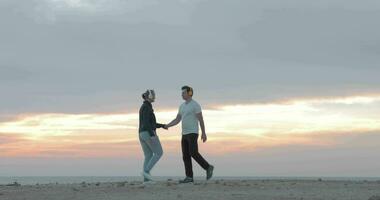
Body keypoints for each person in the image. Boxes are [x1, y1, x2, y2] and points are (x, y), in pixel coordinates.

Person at [165, 86, 214, 183]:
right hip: (184, 134)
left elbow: (201, 119)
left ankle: (208, 167)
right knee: (185, 156)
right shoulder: (182, 106)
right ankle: (189, 177)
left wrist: (204, 133)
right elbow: (177, 119)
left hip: (193, 133)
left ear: (189, 93)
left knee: (193, 152)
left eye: (184, 92)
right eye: (182, 93)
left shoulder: (195, 105)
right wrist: (168, 125)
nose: (182, 94)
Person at [138, 89, 167, 183]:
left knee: (148, 155)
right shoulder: (147, 107)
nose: (154, 96)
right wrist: (152, 135)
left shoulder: (144, 106)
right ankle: (145, 172)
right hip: (147, 133)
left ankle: (146, 180)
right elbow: (147, 123)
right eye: (153, 94)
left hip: (141, 134)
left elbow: (151, 123)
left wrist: (162, 125)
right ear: (148, 96)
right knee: (159, 152)